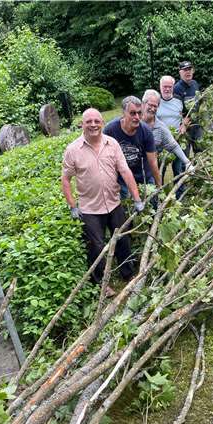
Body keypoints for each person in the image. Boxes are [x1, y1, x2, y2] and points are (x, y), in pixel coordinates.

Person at [61, 108, 145, 297]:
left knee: (123, 238)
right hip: (90, 208)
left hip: (114, 202)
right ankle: (99, 283)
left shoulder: (112, 144)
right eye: (88, 121)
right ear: (82, 124)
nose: (93, 125)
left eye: (96, 121)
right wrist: (73, 205)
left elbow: (124, 171)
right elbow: (65, 179)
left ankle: (128, 274)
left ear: (102, 123)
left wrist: (137, 198)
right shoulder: (73, 150)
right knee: (96, 247)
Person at [103, 96, 161, 199]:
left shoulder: (145, 131)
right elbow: (104, 159)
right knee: (127, 207)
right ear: (123, 113)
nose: (137, 117)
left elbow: (152, 161)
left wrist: (159, 186)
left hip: (143, 176)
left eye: (139, 113)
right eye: (133, 113)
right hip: (122, 178)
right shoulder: (110, 130)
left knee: (152, 203)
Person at [141, 89, 194, 177]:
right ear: (143, 104)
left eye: (156, 106)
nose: (153, 109)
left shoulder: (160, 127)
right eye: (150, 105)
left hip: (150, 166)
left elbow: (173, 145)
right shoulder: (134, 122)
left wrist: (187, 163)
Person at [157, 76, 189, 198]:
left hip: (177, 140)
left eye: (169, 87)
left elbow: (186, 116)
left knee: (178, 169)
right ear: (160, 87)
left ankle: (180, 195)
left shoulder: (178, 100)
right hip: (160, 143)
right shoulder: (156, 101)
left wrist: (184, 125)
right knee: (160, 170)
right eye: (164, 86)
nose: (167, 89)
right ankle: (159, 194)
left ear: (173, 87)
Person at [174, 60, 202, 155]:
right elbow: (176, 111)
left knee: (200, 152)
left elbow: (199, 101)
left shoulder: (195, 84)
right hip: (184, 127)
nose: (188, 72)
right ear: (180, 72)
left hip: (197, 125)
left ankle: (199, 169)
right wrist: (183, 123)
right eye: (185, 70)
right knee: (184, 154)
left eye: (190, 69)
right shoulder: (177, 88)